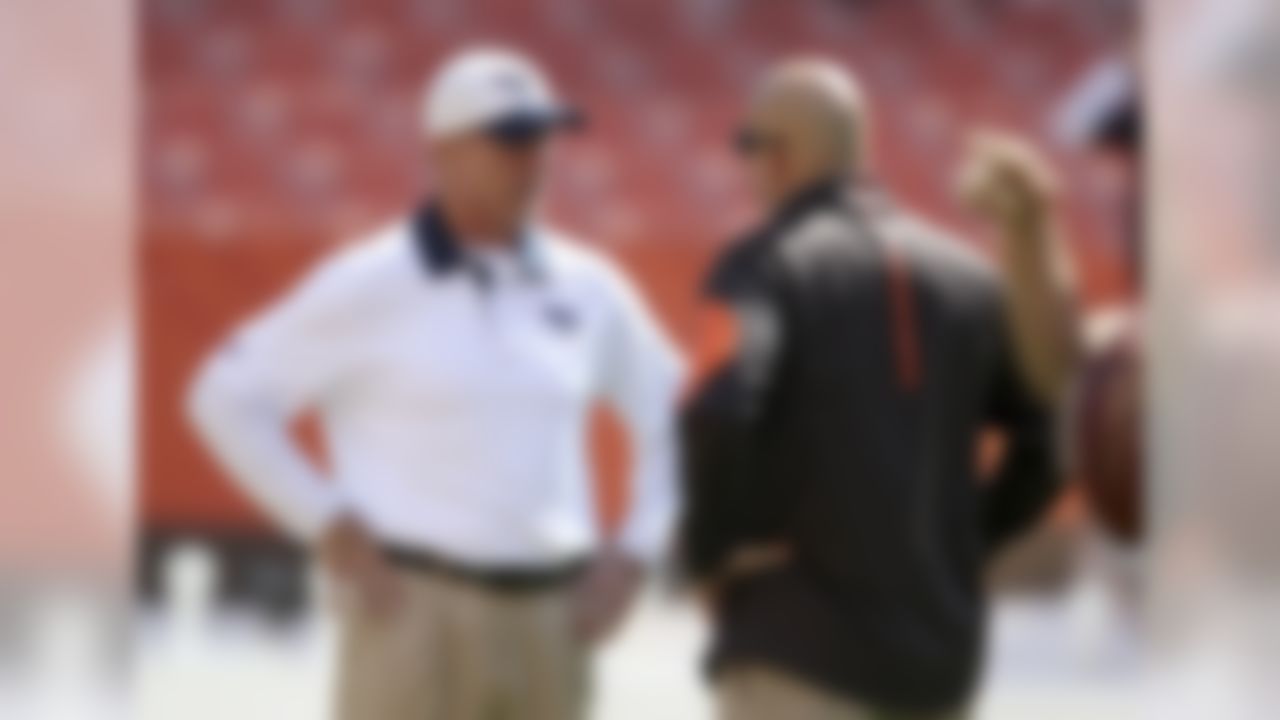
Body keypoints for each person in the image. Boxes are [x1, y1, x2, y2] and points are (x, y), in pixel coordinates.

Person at [186, 47, 684, 720]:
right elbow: (225, 397)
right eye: (510, 139)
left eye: (542, 138)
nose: (533, 159)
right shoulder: (371, 282)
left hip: (551, 616)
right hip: (412, 612)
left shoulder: (588, 286)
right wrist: (324, 520)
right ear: (445, 152)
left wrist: (636, 552)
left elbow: (678, 411)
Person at [679, 59, 1064, 719]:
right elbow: (1049, 442)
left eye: (748, 146)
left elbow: (719, 410)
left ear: (778, 155)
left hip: (794, 659)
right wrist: (965, 541)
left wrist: (708, 557)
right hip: (938, 669)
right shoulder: (971, 279)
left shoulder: (763, 265)